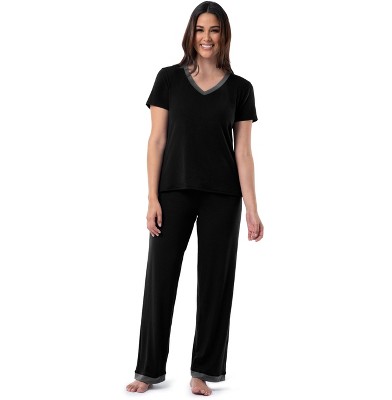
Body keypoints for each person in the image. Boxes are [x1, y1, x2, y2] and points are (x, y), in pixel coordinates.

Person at [126, 1, 264, 396]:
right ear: (191, 33)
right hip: (173, 191)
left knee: (216, 284)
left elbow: (243, 152)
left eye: (214, 30)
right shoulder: (168, 79)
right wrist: (152, 197)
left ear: (224, 36)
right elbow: (157, 140)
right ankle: (148, 370)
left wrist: (252, 208)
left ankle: (204, 371)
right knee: (160, 279)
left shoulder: (240, 89)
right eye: (201, 29)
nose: (206, 37)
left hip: (223, 195)